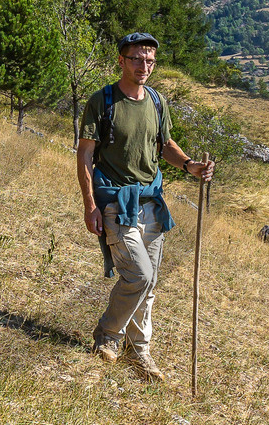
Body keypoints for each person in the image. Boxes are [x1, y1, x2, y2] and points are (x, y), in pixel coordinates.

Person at [75, 31, 213, 380]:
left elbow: (164, 143)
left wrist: (189, 164)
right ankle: (107, 336)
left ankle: (139, 352)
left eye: (149, 60)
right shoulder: (103, 101)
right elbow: (86, 153)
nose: (144, 66)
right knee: (139, 275)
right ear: (121, 61)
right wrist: (90, 204)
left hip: (151, 201)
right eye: (136, 58)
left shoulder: (156, 100)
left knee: (148, 284)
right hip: (115, 201)